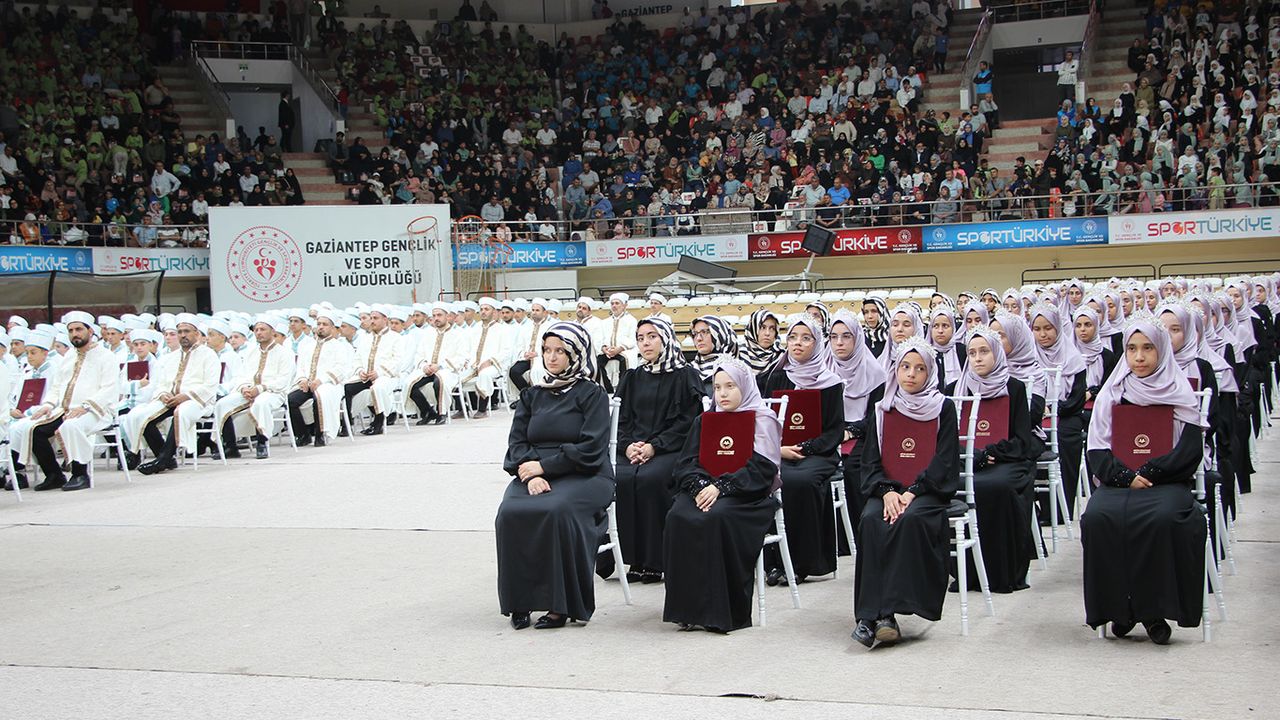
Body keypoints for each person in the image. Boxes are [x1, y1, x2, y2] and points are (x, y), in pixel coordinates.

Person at [1082, 319, 1208, 644]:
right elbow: (1097, 449)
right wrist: (1126, 477)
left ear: (1161, 350)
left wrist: (1151, 471)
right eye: (1132, 349)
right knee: (1098, 518)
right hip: (1120, 482)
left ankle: (1153, 612)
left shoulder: (1179, 392)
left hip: (1166, 483)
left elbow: (1190, 450)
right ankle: (1118, 609)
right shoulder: (1113, 393)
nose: (1139, 357)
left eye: (1148, 348)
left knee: (1164, 519)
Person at [495, 322, 614, 630]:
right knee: (510, 512)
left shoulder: (592, 395)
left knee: (555, 511)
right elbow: (517, 443)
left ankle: (560, 604)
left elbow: (591, 448)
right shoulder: (532, 395)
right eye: (547, 350)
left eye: (560, 351)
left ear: (576, 354)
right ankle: (520, 601)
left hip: (585, 474)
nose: (552, 357)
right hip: (532, 472)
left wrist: (546, 468)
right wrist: (530, 474)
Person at [853, 338, 959, 648]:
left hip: (926, 491)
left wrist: (912, 491)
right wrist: (886, 492)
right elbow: (870, 460)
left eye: (919, 368)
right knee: (871, 520)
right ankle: (874, 617)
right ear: (895, 370)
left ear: (930, 373)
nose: (910, 374)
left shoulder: (943, 407)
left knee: (909, 520)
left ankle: (881, 614)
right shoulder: (883, 409)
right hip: (888, 490)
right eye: (904, 367)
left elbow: (944, 459)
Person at [663, 359, 783, 633]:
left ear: (745, 386)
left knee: (717, 517)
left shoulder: (761, 419)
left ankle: (723, 612)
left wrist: (722, 487)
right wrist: (700, 485)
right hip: (704, 488)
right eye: (717, 388)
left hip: (746, 495)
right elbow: (686, 462)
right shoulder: (705, 420)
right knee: (678, 515)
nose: (723, 393)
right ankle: (687, 609)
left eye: (730, 386)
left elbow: (762, 468)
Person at [605, 318, 703, 583]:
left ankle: (656, 560)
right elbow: (620, 419)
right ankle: (632, 558)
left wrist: (654, 446)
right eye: (640, 338)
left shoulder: (685, 375)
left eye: (651, 336)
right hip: (633, 449)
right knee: (621, 478)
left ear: (666, 339)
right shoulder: (633, 376)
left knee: (650, 479)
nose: (645, 343)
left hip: (671, 448)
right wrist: (627, 446)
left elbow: (688, 422)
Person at [952, 327, 1043, 593]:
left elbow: (1022, 438)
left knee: (998, 488)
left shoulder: (1013, 388)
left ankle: (1002, 573)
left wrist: (991, 452)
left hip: (1007, 460)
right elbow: (948, 437)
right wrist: (973, 456)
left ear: (997, 354)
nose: (977, 358)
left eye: (984, 352)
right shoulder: (958, 388)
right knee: (956, 485)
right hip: (969, 460)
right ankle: (967, 573)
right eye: (971, 353)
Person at [756, 315, 845, 584]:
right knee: (766, 477)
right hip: (780, 450)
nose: (798, 343)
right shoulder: (776, 376)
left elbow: (834, 431)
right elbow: (764, 420)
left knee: (800, 481)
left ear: (817, 344)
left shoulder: (830, 382)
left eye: (806, 338)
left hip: (818, 453)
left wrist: (806, 447)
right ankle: (772, 560)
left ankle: (801, 562)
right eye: (793, 337)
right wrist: (779, 448)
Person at [7, 314, 118, 492]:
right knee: (33, 429)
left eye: (79, 329)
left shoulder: (106, 356)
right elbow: (57, 386)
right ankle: (54, 474)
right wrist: (48, 405)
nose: (75, 334)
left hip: (97, 410)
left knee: (71, 426)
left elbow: (109, 389)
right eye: (71, 330)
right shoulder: (69, 356)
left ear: (90, 330)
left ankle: (80, 474)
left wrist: (85, 406)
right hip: (64, 409)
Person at [121, 315, 221, 475]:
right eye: (180, 331)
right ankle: (165, 457)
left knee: (181, 412)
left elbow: (210, 386)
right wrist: (162, 394)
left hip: (197, 400)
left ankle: (163, 459)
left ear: (196, 334)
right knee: (142, 416)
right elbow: (160, 383)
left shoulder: (208, 355)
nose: (183, 335)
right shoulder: (170, 357)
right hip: (171, 398)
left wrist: (185, 396)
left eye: (187, 331)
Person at [829, 310, 887, 537]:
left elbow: (876, 415)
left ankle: (857, 531)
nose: (839, 342)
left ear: (857, 338)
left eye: (846, 336)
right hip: (832, 433)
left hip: (865, 434)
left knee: (855, 466)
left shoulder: (875, 372)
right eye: (834, 337)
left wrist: (852, 431)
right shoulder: (824, 371)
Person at [1030, 304, 1088, 518]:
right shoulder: (1029, 357)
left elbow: (1077, 398)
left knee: (1064, 438)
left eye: (1048, 328)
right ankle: (1037, 509)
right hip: (1037, 417)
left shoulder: (1073, 358)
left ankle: (1060, 510)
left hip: (1066, 416)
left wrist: (1053, 409)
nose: (1043, 334)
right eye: (1037, 329)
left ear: (1058, 328)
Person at [213, 319, 296, 459]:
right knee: (222, 404)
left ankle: (262, 443)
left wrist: (261, 388)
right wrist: (244, 387)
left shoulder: (284, 353)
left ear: (273, 332)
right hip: (249, 391)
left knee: (261, 403)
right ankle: (230, 446)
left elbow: (283, 380)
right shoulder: (251, 352)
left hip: (273, 392)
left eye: (263, 329)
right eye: (256, 330)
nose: (259, 332)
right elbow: (241, 375)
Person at [288, 311, 355, 446]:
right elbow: (300, 366)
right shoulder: (307, 345)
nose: (321, 327)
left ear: (332, 328)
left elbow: (342, 369)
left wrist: (321, 380)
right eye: (319, 324)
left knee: (319, 397)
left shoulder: (339, 346)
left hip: (329, 384)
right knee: (290, 400)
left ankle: (320, 434)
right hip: (308, 383)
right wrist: (302, 379)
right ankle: (303, 434)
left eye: (325, 324)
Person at [343, 306, 401, 434]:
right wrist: (360, 371)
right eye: (371, 318)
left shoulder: (396, 338)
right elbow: (357, 359)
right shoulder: (366, 338)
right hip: (366, 376)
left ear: (385, 319)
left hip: (387, 376)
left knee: (377, 388)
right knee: (346, 387)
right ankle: (347, 424)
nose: (372, 321)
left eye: (376, 318)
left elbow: (398, 361)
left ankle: (379, 423)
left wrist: (379, 373)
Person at [405, 303, 463, 423]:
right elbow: (419, 354)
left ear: (447, 316)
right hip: (428, 369)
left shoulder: (458, 335)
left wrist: (440, 365)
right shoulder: (427, 334)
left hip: (447, 370)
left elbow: (461, 357)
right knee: (409, 384)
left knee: (440, 381)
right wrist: (424, 365)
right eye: (434, 315)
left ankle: (442, 413)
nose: (436, 318)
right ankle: (427, 412)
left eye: (439, 315)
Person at [594, 293, 638, 393]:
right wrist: (604, 348)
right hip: (608, 351)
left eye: (617, 303)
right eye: (612, 303)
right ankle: (607, 389)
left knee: (624, 360)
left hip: (624, 350)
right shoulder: (604, 322)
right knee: (597, 363)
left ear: (624, 305)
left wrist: (620, 348)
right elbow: (600, 337)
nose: (614, 306)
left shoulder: (631, 320)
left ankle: (622, 390)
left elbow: (632, 339)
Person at [689, 315, 738, 394]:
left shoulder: (737, 368)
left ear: (720, 334)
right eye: (695, 333)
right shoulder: (688, 370)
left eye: (704, 332)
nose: (698, 338)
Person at [928, 305, 966, 390]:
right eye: (936, 326)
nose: (940, 331)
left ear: (953, 328)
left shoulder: (962, 351)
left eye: (945, 326)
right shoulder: (926, 353)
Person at [738, 309, 782, 374]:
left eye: (772, 328)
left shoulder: (781, 356)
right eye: (762, 327)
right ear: (753, 329)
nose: (767, 333)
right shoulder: (738, 354)